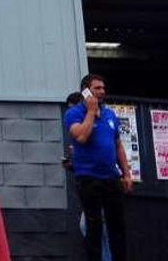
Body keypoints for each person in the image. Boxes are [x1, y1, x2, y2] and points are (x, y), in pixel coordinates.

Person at [64, 74, 131, 261]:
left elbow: (117, 145)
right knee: (94, 228)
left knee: (117, 227)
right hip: (88, 179)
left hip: (111, 177)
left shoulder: (110, 115)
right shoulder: (73, 114)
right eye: (97, 88)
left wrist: (126, 173)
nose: (102, 92)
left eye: (103, 88)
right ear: (86, 91)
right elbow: (81, 137)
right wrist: (91, 112)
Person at [63, 92, 112, 261]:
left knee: (94, 227)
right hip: (91, 183)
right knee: (94, 227)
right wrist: (72, 164)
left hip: (102, 183)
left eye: (73, 110)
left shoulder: (95, 121)